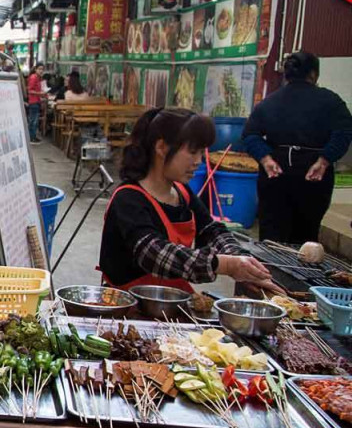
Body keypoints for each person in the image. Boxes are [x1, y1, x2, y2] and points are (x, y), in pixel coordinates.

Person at [99, 108, 282, 295]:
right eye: (193, 152)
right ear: (162, 147)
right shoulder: (128, 199)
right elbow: (156, 255)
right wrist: (226, 265)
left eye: (202, 153)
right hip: (125, 304)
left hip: (170, 300)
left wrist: (242, 261)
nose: (199, 161)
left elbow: (212, 231)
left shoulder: (181, 192)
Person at [242, 51, 352, 243]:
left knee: (272, 234)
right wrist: (324, 160)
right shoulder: (331, 101)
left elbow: (250, 135)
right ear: (314, 75)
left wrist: (266, 159)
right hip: (314, 175)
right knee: (306, 235)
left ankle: (269, 271)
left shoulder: (269, 102)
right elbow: (344, 132)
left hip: (275, 174)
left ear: (286, 75)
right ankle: (302, 271)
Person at [26, 64, 44, 143]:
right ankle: (31, 137)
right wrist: (40, 93)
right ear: (36, 69)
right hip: (33, 101)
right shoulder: (33, 78)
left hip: (37, 101)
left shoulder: (38, 78)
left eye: (42, 69)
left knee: (35, 120)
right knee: (33, 120)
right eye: (39, 69)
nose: (41, 71)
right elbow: (30, 90)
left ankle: (33, 136)